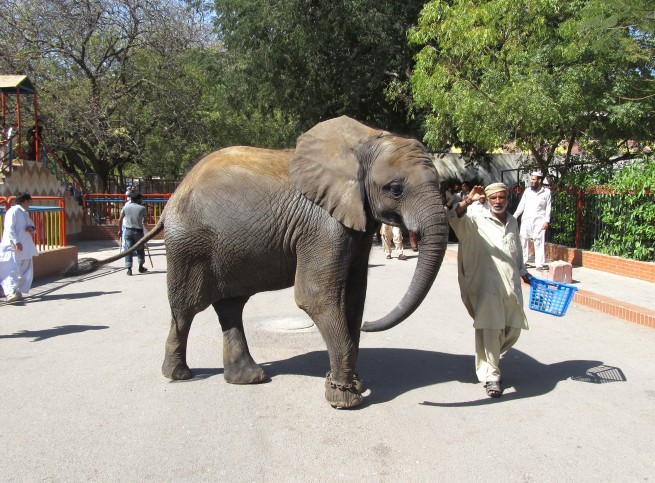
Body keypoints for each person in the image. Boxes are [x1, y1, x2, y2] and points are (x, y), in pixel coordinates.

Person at [448, 183, 532, 398]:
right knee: (492, 328)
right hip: (488, 287)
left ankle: (488, 354)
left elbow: (517, 250)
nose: (498, 202)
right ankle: (492, 376)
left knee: (513, 329)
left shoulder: (513, 221)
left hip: (511, 287)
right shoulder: (476, 221)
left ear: (507, 198)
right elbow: (453, 218)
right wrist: (467, 201)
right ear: (487, 199)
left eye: (501, 198)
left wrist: (523, 272)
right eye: (493, 198)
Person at [0, 192, 39, 303]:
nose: (30, 204)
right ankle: (10, 293)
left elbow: (32, 226)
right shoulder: (13, 212)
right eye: (29, 202)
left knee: (24, 271)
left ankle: (16, 290)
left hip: (25, 247)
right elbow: (9, 229)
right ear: (25, 201)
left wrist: (31, 228)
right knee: (12, 270)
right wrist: (16, 242)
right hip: (13, 247)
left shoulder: (25, 213)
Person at [513, 171, 552, 271]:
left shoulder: (546, 192)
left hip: (539, 221)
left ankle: (539, 265)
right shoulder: (527, 191)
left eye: (534, 179)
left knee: (539, 242)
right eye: (531, 179)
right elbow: (521, 205)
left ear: (539, 180)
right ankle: (523, 262)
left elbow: (548, 207)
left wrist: (546, 221)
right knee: (524, 241)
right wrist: (514, 217)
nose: (532, 181)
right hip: (526, 220)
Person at [117, 192, 148, 276]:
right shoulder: (142, 208)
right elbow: (145, 220)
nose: (142, 200)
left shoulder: (125, 207)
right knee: (140, 249)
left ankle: (129, 269)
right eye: (141, 199)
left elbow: (120, 220)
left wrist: (120, 230)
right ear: (137, 199)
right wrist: (144, 225)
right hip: (138, 231)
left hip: (128, 231)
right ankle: (141, 266)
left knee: (128, 250)